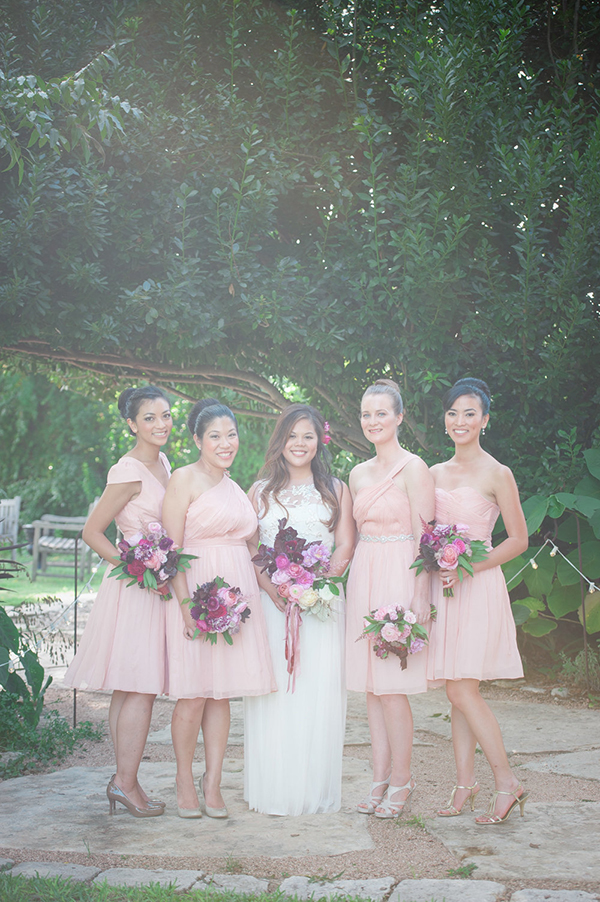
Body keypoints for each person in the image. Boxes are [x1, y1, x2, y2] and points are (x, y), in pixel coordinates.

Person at [162, 398, 275, 819]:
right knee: (193, 694)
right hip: (196, 593)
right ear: (197, 439)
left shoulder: (236, 487)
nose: (226, 443)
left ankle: (213, 782)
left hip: (235, 598)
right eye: (216, 436)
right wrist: (187, 604)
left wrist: (276, 587)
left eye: (231, 435)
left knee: (222, 694)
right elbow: (170, 551)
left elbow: (251, 548)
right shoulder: (184, 480)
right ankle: (183, 780)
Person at [64, 385, 173, 817]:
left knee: (132, 685)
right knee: (141, 686)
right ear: (131, 424)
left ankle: (123, 781)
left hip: (155, 581)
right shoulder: (127, 471)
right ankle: (126, 785)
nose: (161, 424)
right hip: (135, 586)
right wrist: (137, 566)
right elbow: (92, 532)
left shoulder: (163, 461)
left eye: (165, 415)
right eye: (149, 418)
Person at [244, 404, 355, 815]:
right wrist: (271, 585)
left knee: (316, 692)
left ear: (319, 440)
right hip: (273, 603)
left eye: (307, 436)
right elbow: (250, 544)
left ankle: (313, 791)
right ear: (280, 440)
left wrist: (322, 582)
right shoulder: (259, 491)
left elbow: (344, 542)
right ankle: (273, 789)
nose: (299, 444)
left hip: (320, 605)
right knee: (275, 694)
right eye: (292, 436)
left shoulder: (336, 488)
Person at [427, 377, 529, 825]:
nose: (460, 421)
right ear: (445, 420)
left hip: (478, 584)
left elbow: (519, 540)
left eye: (470, 413)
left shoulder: (497, 473)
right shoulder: (432, 474)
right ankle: (465, 785)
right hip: (445, 589)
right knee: (458, 692)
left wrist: (470, 563)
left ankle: (506, 781)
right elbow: (426, 533)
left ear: (485, 420)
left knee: (461, 688)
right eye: (453, 413)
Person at [345, 379, 435, 819]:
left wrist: (420, 594)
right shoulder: (357, 474)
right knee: (370, 688)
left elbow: (426, 537)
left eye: (382, 413)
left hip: (401, 572)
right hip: (365, 571)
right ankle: (378, 777)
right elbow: (349, 536)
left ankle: (402, 779)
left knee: (393, 687)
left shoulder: (415, 467)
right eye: (366, 414)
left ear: (399, 416)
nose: (373, 421)